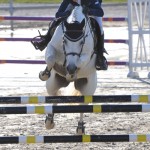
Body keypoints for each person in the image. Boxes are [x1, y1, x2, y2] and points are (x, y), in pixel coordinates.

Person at [31, 0, 108, 80]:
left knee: (100, 27)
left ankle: (100, 56)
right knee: (56, 21)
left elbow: (100, 12)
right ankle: (45, 41)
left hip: (89, 12)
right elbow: (58, 14)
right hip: (73, 16)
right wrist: (66, 13)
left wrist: (89, 11)